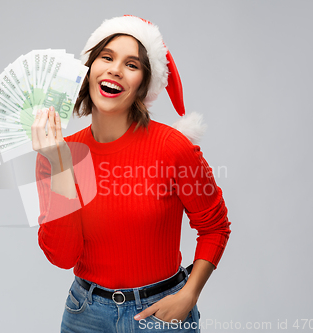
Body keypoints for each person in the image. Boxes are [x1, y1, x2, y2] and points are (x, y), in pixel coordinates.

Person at [31, 15, 231, 333]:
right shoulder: (56, 154)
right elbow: (62, 255)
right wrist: (59, 164)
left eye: (132, 65)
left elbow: (215, 227)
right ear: (90, 69)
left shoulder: (173, 148)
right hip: (86, 315)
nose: (115, 69)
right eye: (106, 57)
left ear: (143, 84)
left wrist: (188, 295)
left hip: (161, 314)